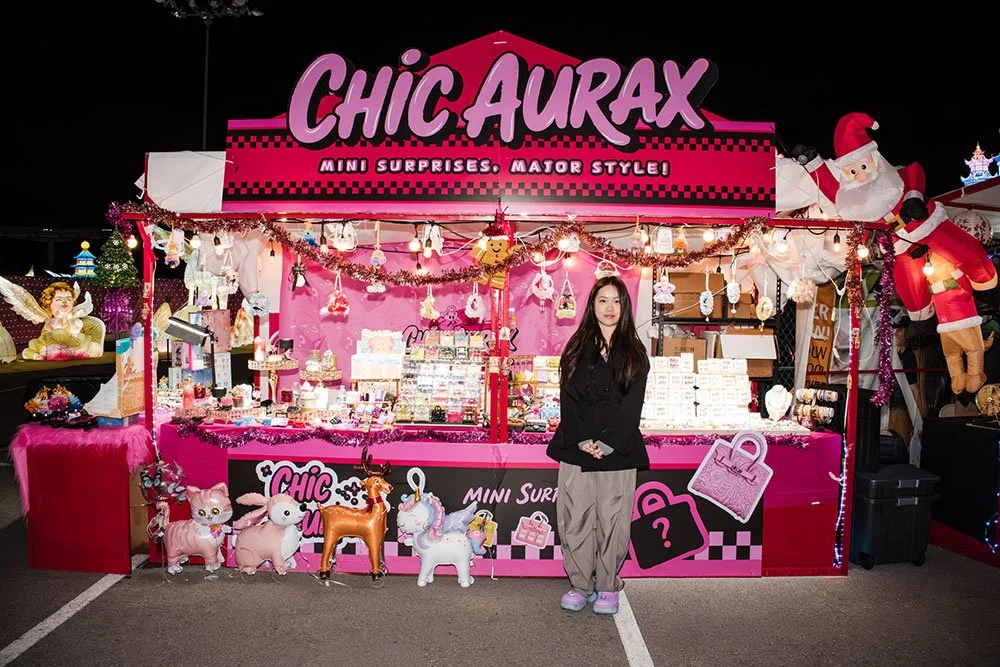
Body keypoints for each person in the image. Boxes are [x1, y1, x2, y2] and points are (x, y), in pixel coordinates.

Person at [546, 275, 650, 616]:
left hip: (617, 451)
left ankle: (607, 585)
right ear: (592, 305)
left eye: (616, 301)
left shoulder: (635, 351)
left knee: (613, 519)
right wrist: (583, 439)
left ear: (625, 306)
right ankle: (579, 584)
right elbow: (568, 399)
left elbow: (632, 405)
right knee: (575, 517)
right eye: (603, 300)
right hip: (576, 445)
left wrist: (608, 443)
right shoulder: (576, 347)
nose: (609, 308)